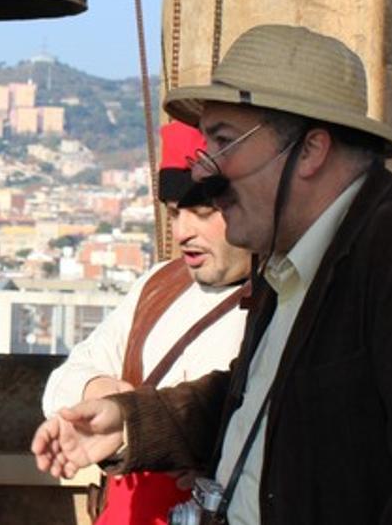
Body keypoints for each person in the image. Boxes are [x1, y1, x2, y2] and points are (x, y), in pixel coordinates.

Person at [32, 24, 392, 524]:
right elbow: (264, 400)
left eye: (223, 142)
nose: (203, 172)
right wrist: (132, 423)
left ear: (311, 151)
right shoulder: (292, 257)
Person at [41, 121, 251, 524]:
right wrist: (103, 393)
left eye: (203, 212)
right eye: (175, 214)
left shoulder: (274, 301)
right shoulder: (158, 283)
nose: (183, 231)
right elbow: (63, 382)